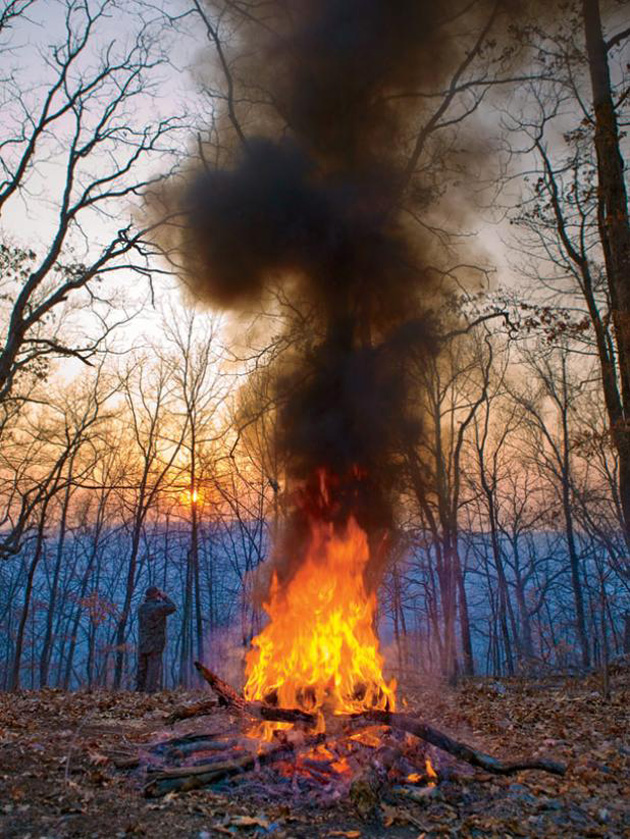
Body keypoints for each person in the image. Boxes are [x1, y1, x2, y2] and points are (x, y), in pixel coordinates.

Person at [136, 586, 176, 692]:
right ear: (156, 594)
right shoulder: (158, 607)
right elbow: (172, 607)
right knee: (153, 668)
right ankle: (151, 693)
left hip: (143, 642)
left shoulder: (141, 608)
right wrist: (165, 597)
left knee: (142, 668)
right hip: (155, 643)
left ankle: (139, 691)